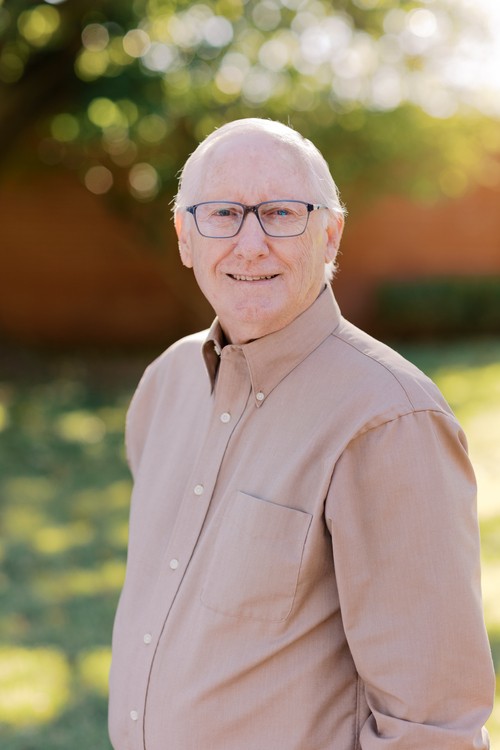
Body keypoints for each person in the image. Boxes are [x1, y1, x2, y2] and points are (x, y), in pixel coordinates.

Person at [108, 118, 494, 750]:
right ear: (184, 237)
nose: (250, 244)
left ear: (330, 233)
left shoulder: (389, 419)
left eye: (281, 213)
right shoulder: (167, 383)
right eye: (223, 214)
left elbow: (432, 722)